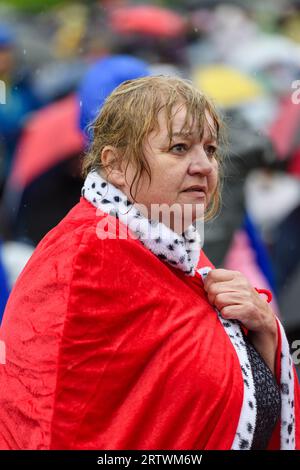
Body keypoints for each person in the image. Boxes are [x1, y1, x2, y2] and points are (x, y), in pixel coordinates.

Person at [0, 76, 299, 450]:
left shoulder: (176, 246)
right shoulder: (81, 262)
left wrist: (264, 330)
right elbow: (50, 424)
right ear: (117, 165)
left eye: (209, 149)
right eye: (179, 147)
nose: (204, 166)